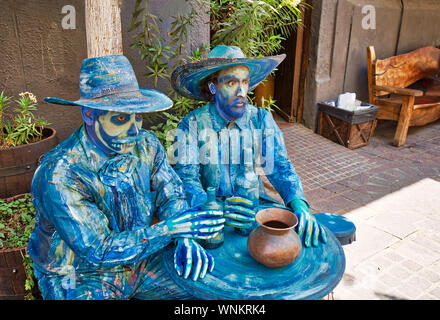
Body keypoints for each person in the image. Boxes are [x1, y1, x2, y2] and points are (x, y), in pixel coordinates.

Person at [27, 54, 224, 300]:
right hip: (79, 274)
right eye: (120, 118)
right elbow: (97, 249)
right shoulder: (59, 174)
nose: (134, 130)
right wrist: (169, 230)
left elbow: (171, 193)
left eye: (138, 116)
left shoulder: (147, 145)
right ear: (89, 114)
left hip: (141, 259)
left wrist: (184, 238)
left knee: (212, 287)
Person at [171, 45, 327, 248]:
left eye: (245, 82)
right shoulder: (191, 124)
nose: (242, 91)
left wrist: (299, 204)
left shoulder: (261, 119)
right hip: (210, 216)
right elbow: (186, 179)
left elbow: (280, 167)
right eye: (231, 82)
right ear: (213, 87)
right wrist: (214, 207)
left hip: (255, 207)